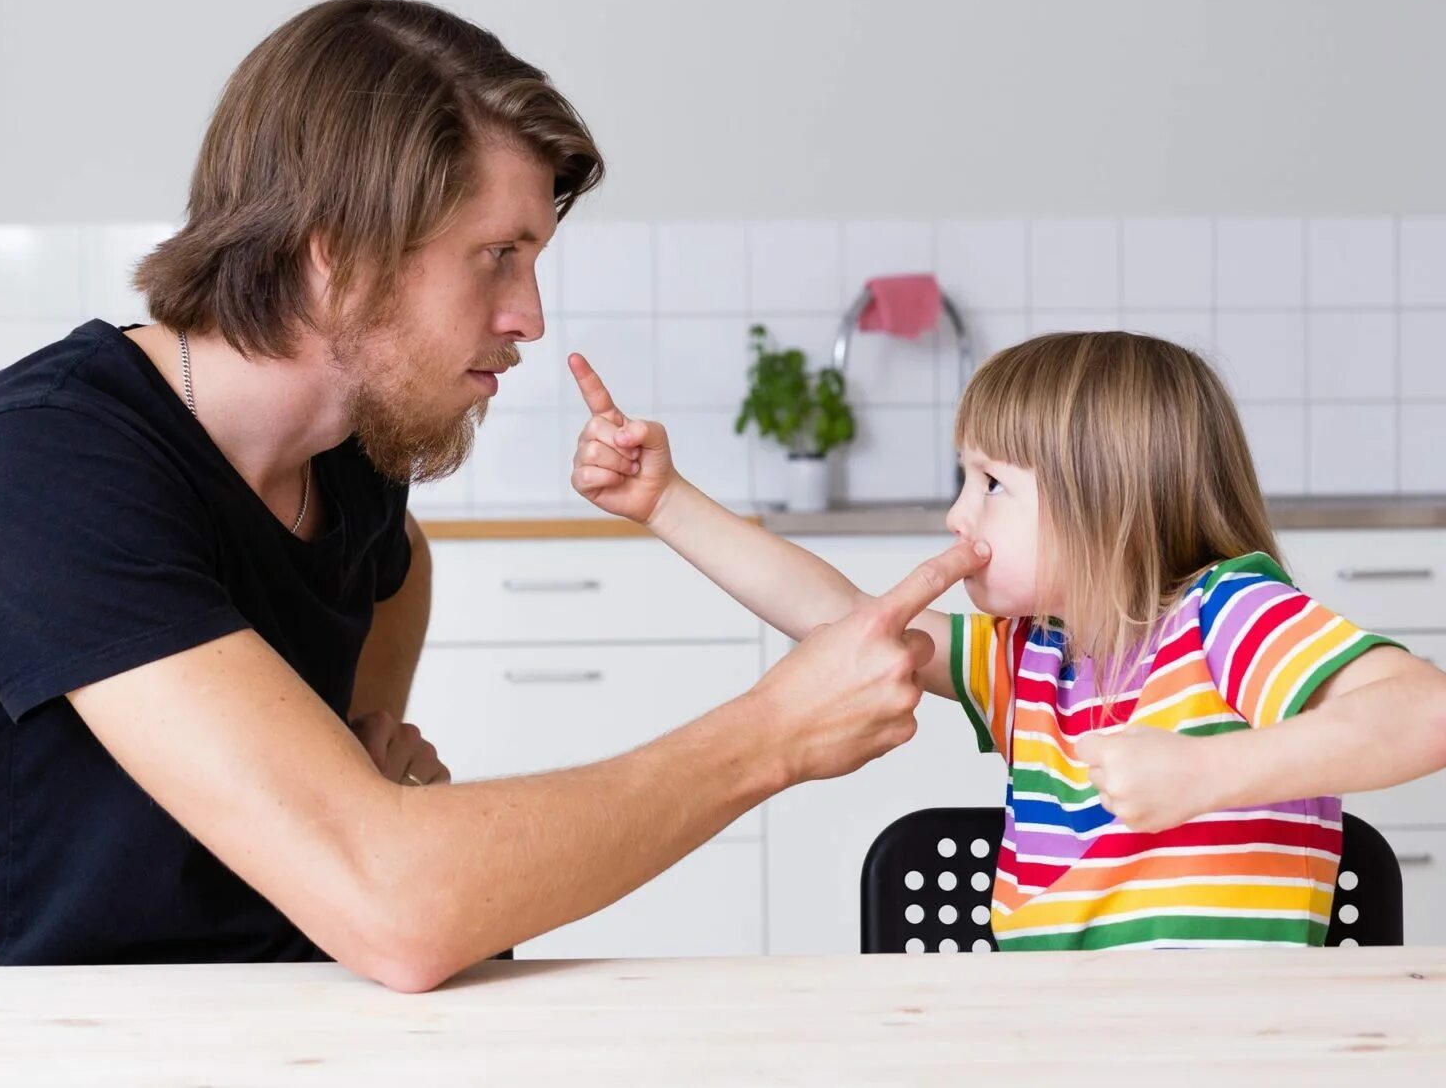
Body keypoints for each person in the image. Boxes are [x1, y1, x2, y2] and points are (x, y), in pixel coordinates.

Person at [0, 0, 987, 988]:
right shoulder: (36, 469)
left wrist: (366, 748)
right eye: (497, 255)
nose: (530, 314)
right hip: (77, 1041)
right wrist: (771, 735)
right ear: (338, 257)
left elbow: (396, 567)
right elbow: (399, 906)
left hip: (307, 1006)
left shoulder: (356, 459)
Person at [567, 330, 1446, 949]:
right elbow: (843, 618)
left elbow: (1424, 711)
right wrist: (666, 502)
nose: (958, 512)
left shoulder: (1228, 617)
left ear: (1110, 504)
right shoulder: (1032, 654)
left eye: (991, 483)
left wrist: (1208, 774)